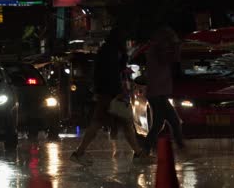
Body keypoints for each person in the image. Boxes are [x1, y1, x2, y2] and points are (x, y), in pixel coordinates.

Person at [70, 28, 144, 166]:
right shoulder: (111, 52)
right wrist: (118, 91)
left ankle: (79, 153)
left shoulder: (107, 50)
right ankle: (139, 154)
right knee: (123, 122)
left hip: (106, 92)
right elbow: (112, 74)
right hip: (110, 93)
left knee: (101, 122)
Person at [141, 25, 185, 155]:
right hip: (157, 93)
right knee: (167, 123)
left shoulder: (155, 50)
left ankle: (146, 150)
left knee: (163, 123)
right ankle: (146, 150)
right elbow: (174, 60)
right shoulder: (158, 51)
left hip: (158, 93)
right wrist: (176, 46)